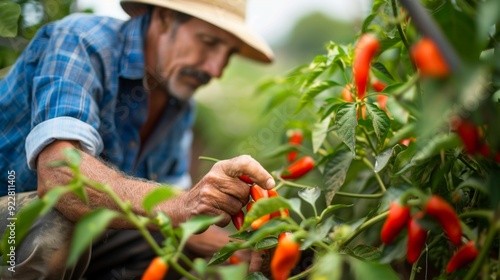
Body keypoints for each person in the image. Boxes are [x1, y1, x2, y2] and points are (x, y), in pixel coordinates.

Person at [0, 0, 275, 278]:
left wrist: (241, 250)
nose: (216, 70)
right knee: (63, 214)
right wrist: (183, 203)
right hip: (8, 214)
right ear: (166, 18)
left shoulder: (178, 104)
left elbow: (179, 223)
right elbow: (58, 177)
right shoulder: (83, 42)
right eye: (208, 42)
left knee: (167, 243)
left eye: (228, 55)